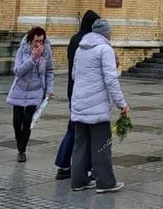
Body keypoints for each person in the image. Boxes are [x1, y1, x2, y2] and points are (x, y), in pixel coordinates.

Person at [70, 18, 129, 193]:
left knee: (80, 144)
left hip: (79, 102)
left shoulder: (80, 49)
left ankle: (78, 181)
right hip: (97, 106)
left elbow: (74, 75)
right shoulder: (105, 50)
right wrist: (122, 104)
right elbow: (111, 80)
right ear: (106, 33)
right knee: (102, 145)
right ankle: (105, 182)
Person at [54, 10, 99, 179]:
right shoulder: (86, 42)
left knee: (75, 127)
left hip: (73, 89)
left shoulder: (74, 39)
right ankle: (79, 167)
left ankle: (66, 165)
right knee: (81, 130)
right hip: (84, 91)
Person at [6, 26, 54, 162]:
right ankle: (18, 141)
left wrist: (49, 89)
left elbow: (49, 71)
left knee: (28, 121)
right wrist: (33, 59)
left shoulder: (46, 52)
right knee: (17, 121)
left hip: (36, 90)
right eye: (36, 41)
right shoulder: (23, 50)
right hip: (20, 89)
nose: (39, 44)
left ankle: (22, 150)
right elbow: (18, 71)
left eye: (42, 41)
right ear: (30, 40)